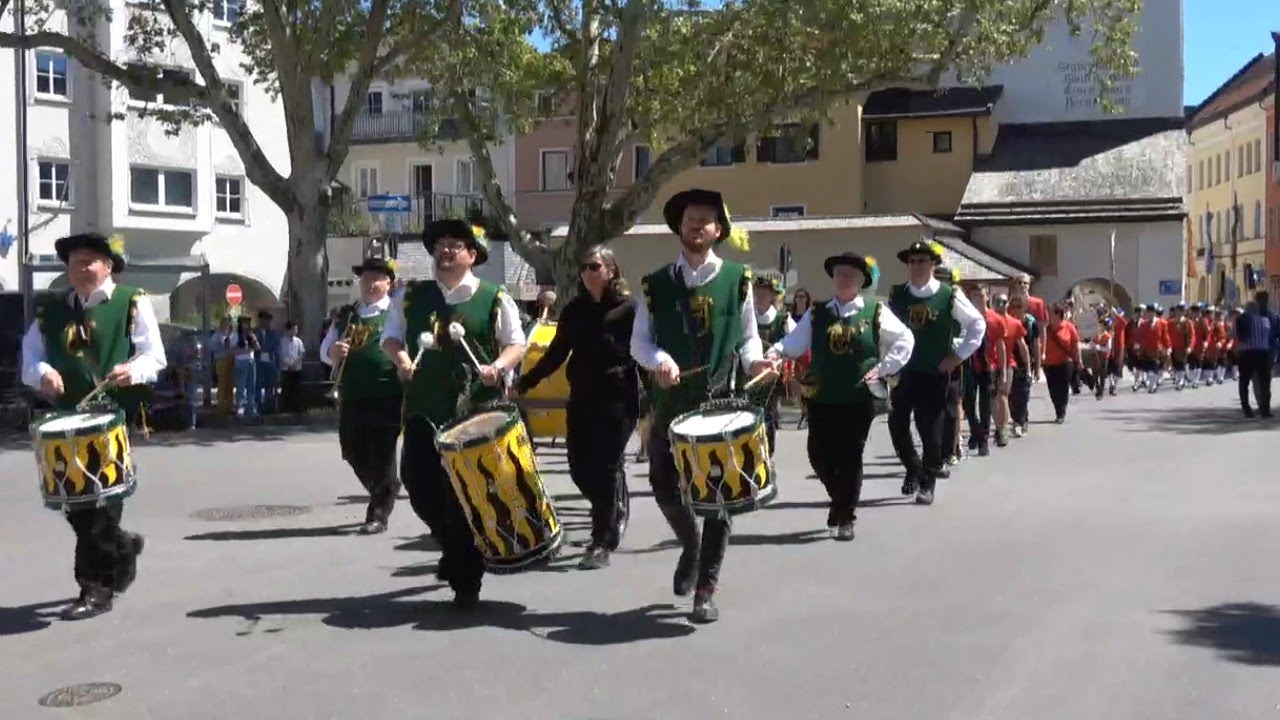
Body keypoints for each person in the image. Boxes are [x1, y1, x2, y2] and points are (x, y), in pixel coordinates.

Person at [630, 187, 769, 623]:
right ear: (679, 227)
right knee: (663, 484)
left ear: (718, 230)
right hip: (671, 403)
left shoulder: (738, 280)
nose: (697, 224)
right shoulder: (654, 285)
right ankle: (690, 544)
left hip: (720, 402)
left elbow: (747, 336)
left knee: (719, 496)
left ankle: (705, 589)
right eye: (690, 217)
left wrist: (756, 360)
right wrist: (660, 361)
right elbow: (640, 341)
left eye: (706, 219)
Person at [20, 232, 167, 620]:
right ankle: (122, 548)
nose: (81, 268)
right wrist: (44, 373)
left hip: (112, 419)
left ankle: (95, 588)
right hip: (66, 421)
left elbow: (154, 356)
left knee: (100, 508)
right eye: (74, 262)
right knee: (76, 509)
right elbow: (29, 359)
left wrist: (131, 370)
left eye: (89, 261)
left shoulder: (130, 301)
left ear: (108, 266)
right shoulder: (50, 309)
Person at [382, 220, 526, 608]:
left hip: (473, 413)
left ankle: (466, 580)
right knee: (419, 486)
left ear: (472, 255)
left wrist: (498, 366)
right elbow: (391, 337)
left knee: (465, 496)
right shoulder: (411, 296)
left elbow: (516, 343)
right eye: (440, 245)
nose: (445, 251)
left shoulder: (495, 297)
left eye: (455, 245)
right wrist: (401, 359)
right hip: (423, 408)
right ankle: (456, 549)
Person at [763, 252, 913, 540]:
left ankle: (846, 516)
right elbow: (794, 342)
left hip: (858, 397)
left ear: (861, 281)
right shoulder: (817, 312)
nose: (844, 279)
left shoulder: (875, 310)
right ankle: (839, 501)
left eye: (851, 275)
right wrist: (776, 352)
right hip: (821, 395)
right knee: (818, 455)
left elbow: (906, 339)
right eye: (840, 274)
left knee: (849, 456)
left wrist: (883, 369)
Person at [516, 245, 639, 570]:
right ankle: (610, 504)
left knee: (607, 467)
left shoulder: (629, 310)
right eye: (584, 267)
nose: (587, 272)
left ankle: (602, 540)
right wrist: (526, 381)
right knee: (579, 468)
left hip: (618, 399)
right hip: (582, 397)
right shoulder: (574, 310)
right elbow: (556, 353)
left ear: (611, 270)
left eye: (594, 266)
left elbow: (646, 352)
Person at [885, 240, 984, 505]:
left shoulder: (948, 295)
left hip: (934, 373)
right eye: (913, 261)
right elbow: (883, 331)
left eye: (922, 260)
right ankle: (913, 467)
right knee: (896, 424)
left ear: (933, 264)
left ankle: (927, 482)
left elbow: (977, 325)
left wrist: (956, 356)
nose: (917, 265)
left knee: (931, 432)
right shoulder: (897, 295)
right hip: (904, 372)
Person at [322, 256, 403, 534]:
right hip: (352, 393)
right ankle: (385, 487)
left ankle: (378, 513)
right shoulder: (347, 314)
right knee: (352, 449)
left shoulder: (396, 312)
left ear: (388, 283)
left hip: (387, 393)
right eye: (366, 279)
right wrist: (333, 352)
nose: (370, 284)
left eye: (377, 279)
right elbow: (325, 349)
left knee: (382, 453)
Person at [961, 283, 1006, 457]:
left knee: (985, 404)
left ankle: (984, 440)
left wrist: (1002, 371)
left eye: (981, 296)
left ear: (987, 296)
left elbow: (1000, 346)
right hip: (969, 364)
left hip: (988, 366)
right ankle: (976, 432)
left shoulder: (995, 319)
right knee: (969, 404)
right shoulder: (965, 318)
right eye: (974, 296)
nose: (978, 299)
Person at [752, 275, 795, 451]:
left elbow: (793, 342)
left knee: (770, 412)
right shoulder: (748, 318)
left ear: (772, 296)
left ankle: (769, 452)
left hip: (774, 375)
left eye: (764, 294)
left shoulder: (783, 319)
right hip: (752, 373)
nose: (760, 297)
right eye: (757, 293)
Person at [1233, 291, 1277, 418]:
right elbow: (1273, 337)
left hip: (1246, 353)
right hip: (1263, 353)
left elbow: (1234, 335)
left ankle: (1247, 409)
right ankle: (1265, 409)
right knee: (1265, 383)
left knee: (1244, 382)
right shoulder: (1267, 320)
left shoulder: (1241, 320)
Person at [1042, 303, 1083, 422]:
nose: (1048, 315)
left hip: (1065, 363)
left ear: (1058, 314)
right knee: (1052, 389)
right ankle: (1057, 407)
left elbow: (1076, 344)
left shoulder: (1069, 327)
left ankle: (1061, 412)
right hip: (1049, 364)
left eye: (1050, 312)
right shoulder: (1046, 329)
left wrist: (1079, 359)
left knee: (1063, 388)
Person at [254, 311, 281, 414]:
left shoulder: (274, 333)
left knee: (270, 385)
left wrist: (278, 365)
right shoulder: (255, 332)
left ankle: (269, 406)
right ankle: (258, 406)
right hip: (258, 362)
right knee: (258, 385)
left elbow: (277, 350)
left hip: (270, 362)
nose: (267, 323)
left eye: (268, 320)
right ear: (260, 320)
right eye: (264, 320)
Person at [278, 322, 306, 413]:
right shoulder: (281, 341)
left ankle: (295, 408)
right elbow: (280, 354)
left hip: (296, 369)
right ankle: (285, 408)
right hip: (285, 369)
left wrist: (295, 363)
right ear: (288, 329)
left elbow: (302, 353)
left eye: (296, 329)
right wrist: (288, 364)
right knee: (286, 389)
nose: (295, 331)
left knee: (296, 389)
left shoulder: (298, 341)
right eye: (294, 329)